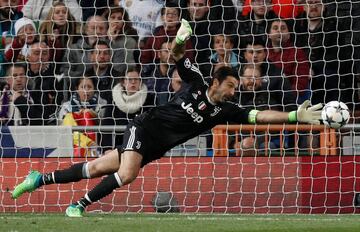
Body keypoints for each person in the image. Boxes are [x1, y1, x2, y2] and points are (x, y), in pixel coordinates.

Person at [11, 19, 323, 217]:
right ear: (217, 83)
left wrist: (295, 113)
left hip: (156, 146)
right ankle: (77, 206)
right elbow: (175, 57)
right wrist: (179, 40)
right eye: (230, 86)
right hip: (144, 126)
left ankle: (38, 179)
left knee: (95, 168)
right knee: (128, 173)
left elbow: (260, 115)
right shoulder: (198, 82)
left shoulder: (226, 111)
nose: (233, 92)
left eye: (236, 88)